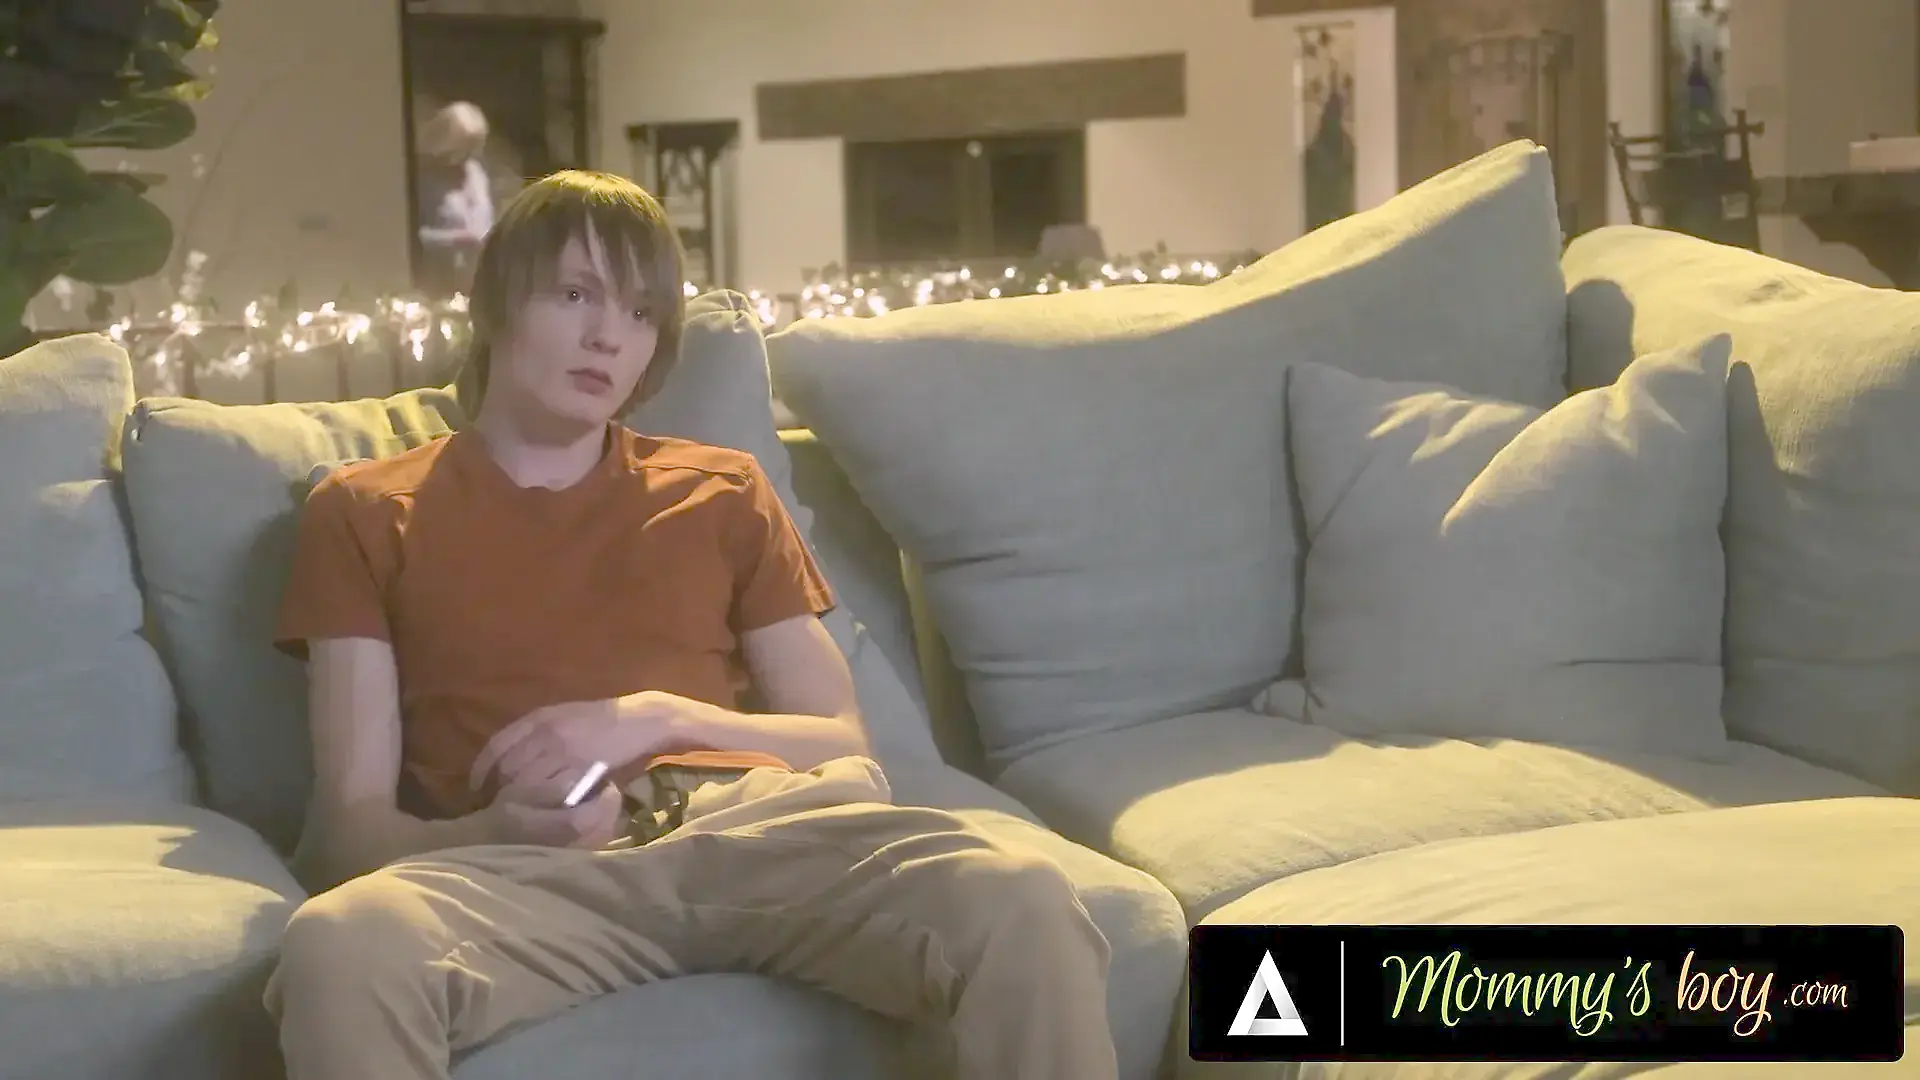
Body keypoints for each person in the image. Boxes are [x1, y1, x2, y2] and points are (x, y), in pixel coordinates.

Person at [264, 169, 1118, 1080]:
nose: (608, 336)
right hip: (524, 874)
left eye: (641, 314)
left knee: (1022, 899)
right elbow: (351, 833)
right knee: (342, 947)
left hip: (754, 835)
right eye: (576, 294)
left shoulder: (722, 490)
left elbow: (839, 740)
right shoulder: (363, 512)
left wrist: (653, 718)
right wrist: (490, 830)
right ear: (495, 300)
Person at [414, 101, 495, 295]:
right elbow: (407, 237)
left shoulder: (476, 173)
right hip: (435, 285)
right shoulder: (422, 179)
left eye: (474, 146)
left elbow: (486, 219)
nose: (468, 155)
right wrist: (455, 239)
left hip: (478, 282)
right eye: (464, 147)